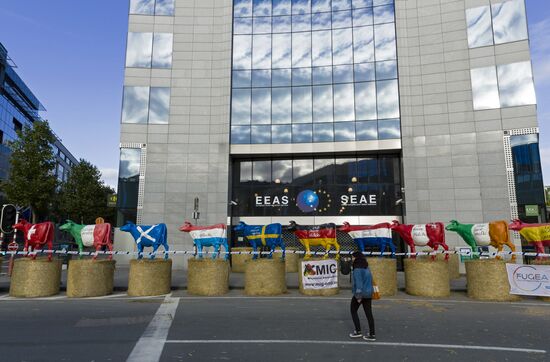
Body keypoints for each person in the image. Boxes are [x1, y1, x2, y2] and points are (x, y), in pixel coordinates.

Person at [349, 251, 376, 341]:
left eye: (353, 257)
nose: (352, 259)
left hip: (361, 293)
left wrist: (359, 296)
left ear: (356, 258)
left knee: (353, 310)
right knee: (369, 314)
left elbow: (359, 284)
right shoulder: (366, 267)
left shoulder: (357, 269)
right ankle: (372, 334)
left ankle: (358, 331)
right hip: (369, 292)